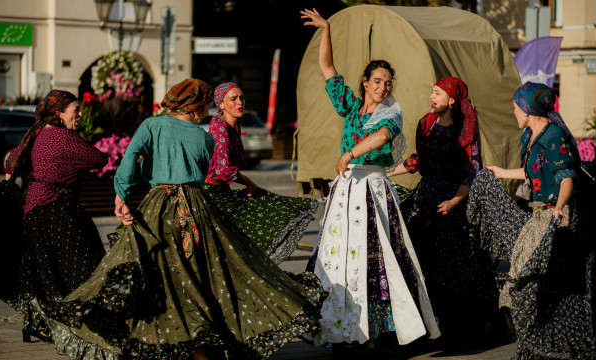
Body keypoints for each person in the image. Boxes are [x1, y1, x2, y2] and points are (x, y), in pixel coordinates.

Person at [32, 78, 326, 360]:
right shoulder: (203, 137)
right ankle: (205, 338)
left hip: (159, 209)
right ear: (195, 108)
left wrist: (122, 196)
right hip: (199, 209)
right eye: (205, 106)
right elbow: (200, 172)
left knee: (159, 274)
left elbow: (130, 161)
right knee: (208, 274)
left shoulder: (151, 125)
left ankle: (181, 338)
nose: (207, 112)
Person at [300, 8, 439, 354]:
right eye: (377, 81)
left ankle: (375, 331)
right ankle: (341, 329)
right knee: (338, 260)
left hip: (372, 190)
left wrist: (349, 154)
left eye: (387, 82)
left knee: (375, 261)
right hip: (346, 192)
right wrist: (327, 29)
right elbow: (328, 69)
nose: (383, 87)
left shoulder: (391, 112)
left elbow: (379, 139)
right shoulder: (350, 106)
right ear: (365, 82)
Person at [466, 81, 596, 359]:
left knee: (535, 282)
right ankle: (537, 344)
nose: (514, 112)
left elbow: (566, 177)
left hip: (558, 218)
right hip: (540, 215)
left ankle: (548, 344)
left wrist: (560, 206)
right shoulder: (532, 136)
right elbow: (535, 174)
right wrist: (501, 173)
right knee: (537, 283)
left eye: (516, 108)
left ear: (528, 110)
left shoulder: (554, 137)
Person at [0, 90, 108, 343]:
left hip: (32, 208)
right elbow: (99, 158)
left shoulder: (36, 133)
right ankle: (90, 323)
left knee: (42, 271)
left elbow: (12, 158)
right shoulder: (63, 137)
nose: (80, 114)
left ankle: (35, 325)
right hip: (55, 208)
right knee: (87, 265)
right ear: (59, 113)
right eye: (76, 109)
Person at [387, 77, 506, 345]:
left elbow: (472, 170)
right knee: (419, 258)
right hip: (427, 197)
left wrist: (454, 201)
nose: (432, 96)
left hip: (454, 202)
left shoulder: (464, 129)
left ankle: (464, 328)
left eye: (438, 93)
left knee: (456, 265)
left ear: (452, 100)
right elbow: (419, 160)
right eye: (432, 91)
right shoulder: (426, 123)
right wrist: (384, 173)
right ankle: (426, 325)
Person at [204, 82, 319, 264]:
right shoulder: (219, 127)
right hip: (212, 194)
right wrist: (248, 182)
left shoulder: (234, 127)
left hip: (222, 191)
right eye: (233, 99)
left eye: (241, 97)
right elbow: (222, 169)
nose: (239, 102)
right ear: (221, 104)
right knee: (269, 208)